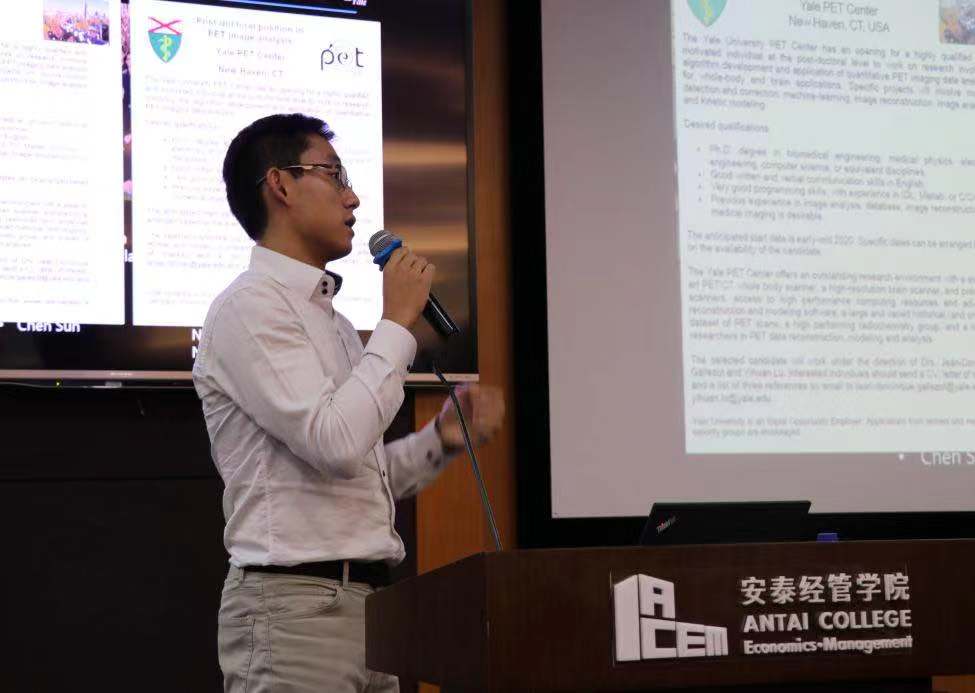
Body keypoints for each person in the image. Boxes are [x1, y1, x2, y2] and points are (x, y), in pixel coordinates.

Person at [193, 113, 505, 692]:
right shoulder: (250, 308)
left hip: (372, 609)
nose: (353, 197)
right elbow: (335, 444)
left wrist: (439, 441)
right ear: (280, 185)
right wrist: (397, 322)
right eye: (334, 175)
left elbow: (358, 473)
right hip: (296, 615)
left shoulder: (332, 323)